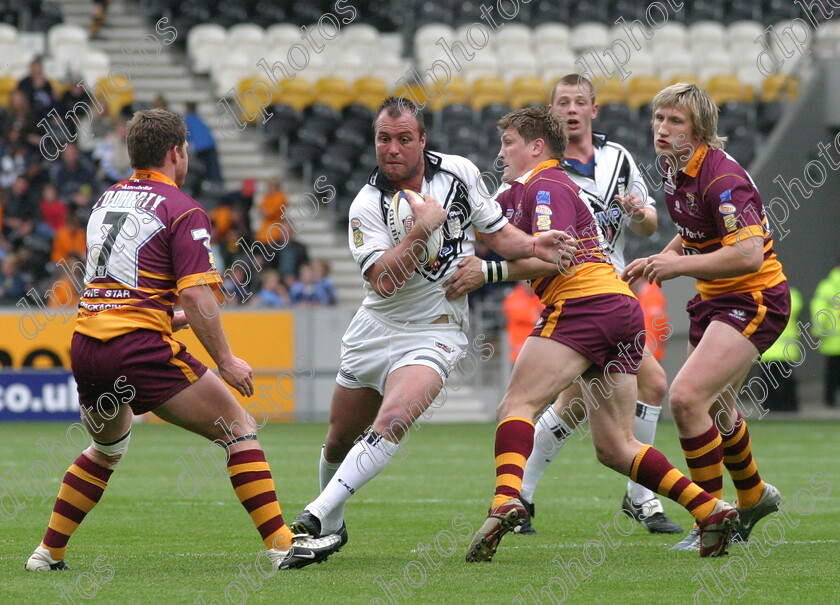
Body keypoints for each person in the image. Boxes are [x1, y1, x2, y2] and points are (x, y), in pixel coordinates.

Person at [25, 109, 340, 572]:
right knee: (238, 425)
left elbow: (116, 294)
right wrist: (227, 361)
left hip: (88, 346)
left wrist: (166, 317)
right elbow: (197, 294)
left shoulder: (106, 200)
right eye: (186, 149)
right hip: (135, 348)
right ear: (176, 152)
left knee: (107, 448)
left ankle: (47, 553)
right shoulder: (182, 208)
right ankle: (281, 545)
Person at [289, 96, 573, 550]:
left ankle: (317, 511)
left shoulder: (458, 173)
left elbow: (498, 233)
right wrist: (422, 230)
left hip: (436, 328)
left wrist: (536, 245)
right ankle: (334, 523)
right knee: (339, 439)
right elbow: (383, 281)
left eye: (404, 139)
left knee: (396, 416)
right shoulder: (364, 205)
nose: (393, 148)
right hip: (377, 327)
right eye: (384, 139)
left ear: (423, 140)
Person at [462, 105, 739, 562]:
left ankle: (506, 499)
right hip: (620, 311)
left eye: (508, 142)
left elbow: (554, 255)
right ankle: (709, 508)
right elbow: (497, 228)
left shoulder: (546, 185)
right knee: (615, 447)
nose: (501, 152)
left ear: (536, 147)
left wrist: (487, 272)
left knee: (516, 405)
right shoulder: (529, 187)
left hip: (584, 305)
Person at [445, 74, 681, 535]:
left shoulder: (607, 162)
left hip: (590, 293)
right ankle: (675, 503)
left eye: (579, 102)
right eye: (562, 103)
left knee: (531, 404)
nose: (571, 109)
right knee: (595, 420)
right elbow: (498, 230)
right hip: (599, 299)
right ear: (552, 116)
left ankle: (519, 500)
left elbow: (643, 225)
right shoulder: (532, 178)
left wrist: (640, 214)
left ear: (594, 110)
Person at [623, 82, 789, 549]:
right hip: (715, 300)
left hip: (754, 298)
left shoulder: (722, 178)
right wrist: (662, 254)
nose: (662, 128)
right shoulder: (676, 169)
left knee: (686, 399)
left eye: (675, 122)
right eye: (659, 119)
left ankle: (710, 520)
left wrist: (677, 267)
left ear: (699, 131)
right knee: (717, 407)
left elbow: (749, 255)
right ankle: (753, 495)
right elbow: (696, 230)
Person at [758, 286, 802, 411]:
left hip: (766, 349)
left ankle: (769, 407)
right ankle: (790, 406)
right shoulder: (791, 294)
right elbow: (796, 307)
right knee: (786, 380)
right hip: (785, 349)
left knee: (768, 381)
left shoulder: (759, 294)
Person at [810, 257, 840, 407]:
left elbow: (819, 310)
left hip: (833, 340)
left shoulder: (827, 286)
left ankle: (830, 401)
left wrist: (818, 330)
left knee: (832, 373)